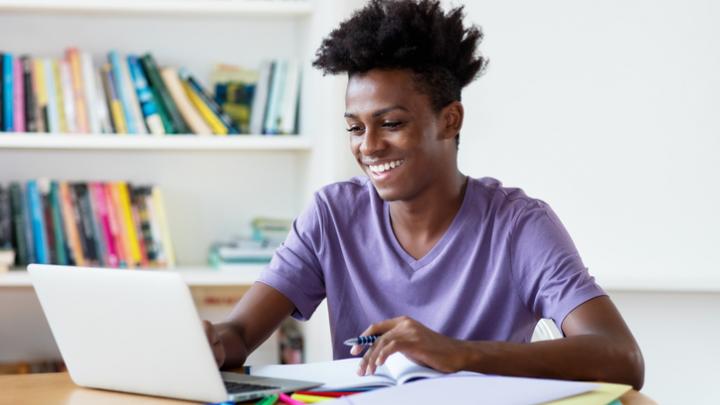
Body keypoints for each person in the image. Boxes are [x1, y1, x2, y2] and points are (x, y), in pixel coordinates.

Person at [203, 0, 644, 389]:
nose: (368, 146)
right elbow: (240, 333)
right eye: (355, 128)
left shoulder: (517, 225)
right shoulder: (333, 214)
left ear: (450, 121)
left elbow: (621, 357)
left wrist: (459, 353)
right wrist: (209, 344)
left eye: (391, 123)